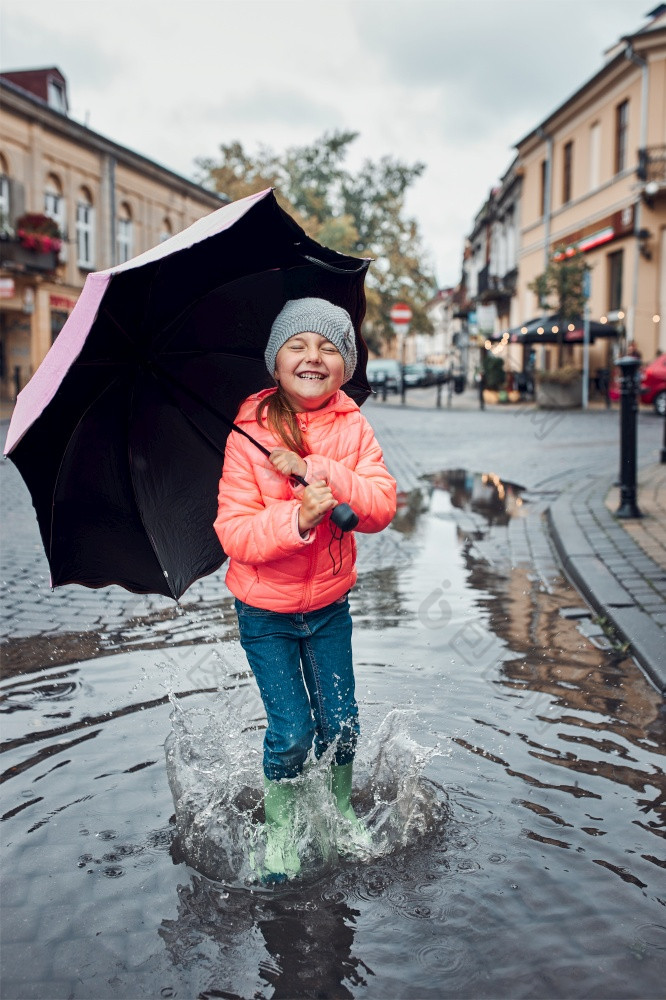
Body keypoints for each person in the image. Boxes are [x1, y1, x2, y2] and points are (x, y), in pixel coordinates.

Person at [214, 297, 397, 880]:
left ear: (346, 367)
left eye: (329, 347)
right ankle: (281, 827)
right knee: (292, 731)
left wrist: (322, 470)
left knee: (341, 721)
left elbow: (381, 505)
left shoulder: (355, 427)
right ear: (276, 361)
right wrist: (297, 522)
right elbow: (234, 531)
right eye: (298, 344)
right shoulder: (247, 433)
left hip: (328, 606)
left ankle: (340, 808)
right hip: (264, 611)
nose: (313, 356)